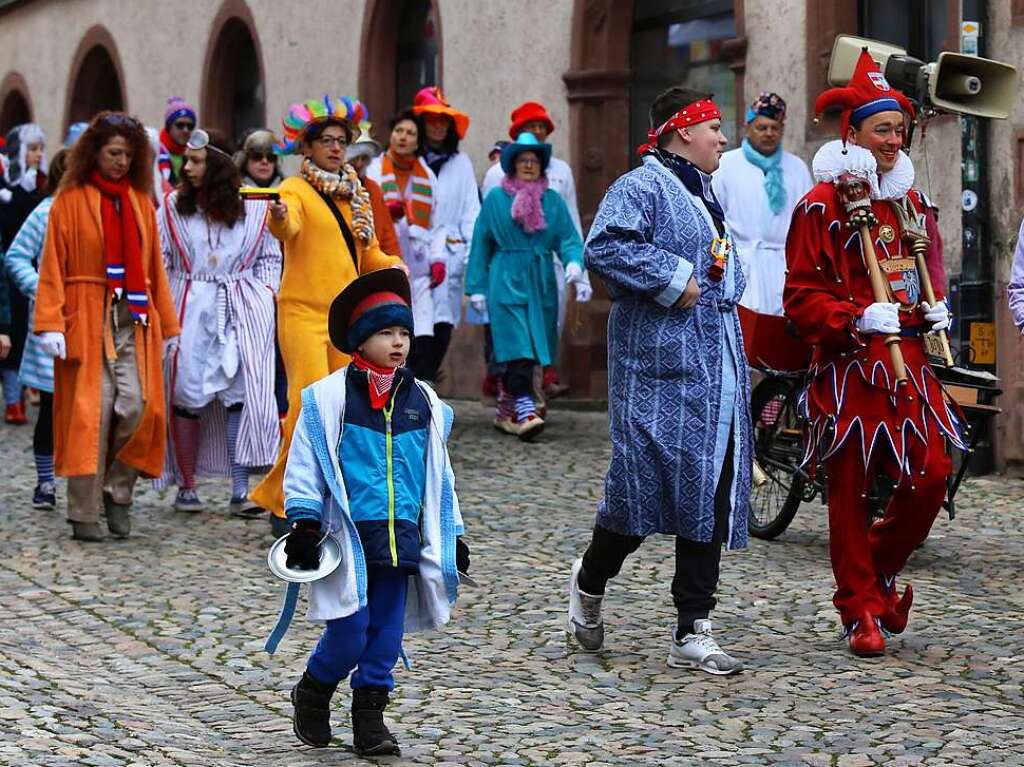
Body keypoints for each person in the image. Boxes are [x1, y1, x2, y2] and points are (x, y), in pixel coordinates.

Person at [565, 86, 752, 674]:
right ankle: (591, 579)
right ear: (682, 131)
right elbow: (606, 246)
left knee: (710, 487)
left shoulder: (705, 192)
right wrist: (676, 278)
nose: (723, 139)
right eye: (714, 127)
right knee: (639, 492)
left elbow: (719, 265)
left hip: (712, 365)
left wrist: (724, 282)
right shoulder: (641, 185)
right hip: (657, 370)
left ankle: (692, 626)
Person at [784, 50, 963, 657]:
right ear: (852, 134)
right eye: (881, 130)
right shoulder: (821, 204)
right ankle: (857, 605)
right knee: (850, 488)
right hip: (850, 365)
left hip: (909, 362)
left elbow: (923, 272)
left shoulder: (909, 203)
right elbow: (801, 296)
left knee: (932, 473)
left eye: (899, 130)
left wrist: (930, 310)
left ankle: (880, 571)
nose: (893, 141)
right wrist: (854, 316)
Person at [281, 268, 467, 757]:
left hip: (400, 539)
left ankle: (370, 719)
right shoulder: (329, 400)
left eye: (404, 332)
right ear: (361, 341)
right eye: (386, 332)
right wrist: (302, 519)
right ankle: (315, 689)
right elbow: (306, 465)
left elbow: (439, 476)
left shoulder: (422, 402)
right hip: (349, 542)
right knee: (348, 633)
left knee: (384, 640)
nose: (399, 342)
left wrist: (453, 536)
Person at [248, 96, 403, 537]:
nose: (336, 148)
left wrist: (391, 263)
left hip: (344, 318)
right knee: (304, 404)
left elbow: (364, 252)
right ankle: (285, 501)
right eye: (327, 141)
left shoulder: (355, 194)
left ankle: (329, 497)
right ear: (308, 148)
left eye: (341, 141)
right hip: (300, 312)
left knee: (344, 409)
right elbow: (288, 225)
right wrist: (277, 215)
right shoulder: (295, 190)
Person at [34, 112, 181, 541]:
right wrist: (50, 322)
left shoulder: (139, 202)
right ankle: (83, 512)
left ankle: (119, 492)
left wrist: (168, 327)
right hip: (84, 315)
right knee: (90, 413)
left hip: (133, 317)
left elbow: (155, 267)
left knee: (141, 407)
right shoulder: (69, 199)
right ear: (94, 152)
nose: (120, 161)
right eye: (114, 152)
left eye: (128, 155)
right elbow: (52, 265)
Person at [158, 128, 281, 516]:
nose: (187, 167)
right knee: (186, 391)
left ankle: (241, 488)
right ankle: (187, 484)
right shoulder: (172, 208)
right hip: (189, 306)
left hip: (241, 306)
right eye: (186, 160)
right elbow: (160, 257)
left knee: (240, 393)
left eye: (196, 160)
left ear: (217, 165)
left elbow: (270, 257)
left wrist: (263, 293)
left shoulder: (255, 209)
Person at [465, 132, 584, 440]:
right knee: (515, 345)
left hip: (541, 279)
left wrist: (573, 262)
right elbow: (481, 242)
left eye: (534, 161)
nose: (529, 165)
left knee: (534, 346)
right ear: (512, 165)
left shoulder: (553, 200)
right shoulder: (495, 199)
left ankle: (506, 409)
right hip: (505, 277)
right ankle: (525, 408)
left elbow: (568, 237)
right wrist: (476, 287)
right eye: (523, 160)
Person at [482, 101, 592, 398]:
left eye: (542, 127)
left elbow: (569, 226)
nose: (538, 131)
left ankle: (534, 391)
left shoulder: (560, 173)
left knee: (543, 329)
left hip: (546, 266)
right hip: (507, 268)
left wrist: (579, 271)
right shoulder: (496, 178)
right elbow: (484, 232)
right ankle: (514, 396)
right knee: (512, 334)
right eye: (531, 127)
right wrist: (479, 282)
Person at [2, 149, 68, 509]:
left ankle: (85, 480)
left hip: (93, 322)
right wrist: (41, 288)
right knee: (51, 404)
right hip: (52, 319)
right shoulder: (45, 212)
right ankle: (45, 482)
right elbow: (16, 257)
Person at [712, 92, 812, 315]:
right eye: (761, 127)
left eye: (774, 128)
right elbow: (714, 222)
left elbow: (807, 224)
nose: (769, 134)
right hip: (741, 264)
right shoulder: (725, 165)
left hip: (785, 267)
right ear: (747, 127)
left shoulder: (797, 168)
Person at [366, 110, 448, 383]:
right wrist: (386, 212)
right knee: (391, 328)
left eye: (410, 133)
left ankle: (420, 392)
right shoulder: (374, 170)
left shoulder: (427, 176)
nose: (403, 137)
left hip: (420, 266)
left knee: (423, 331)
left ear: (418, 141)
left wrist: (438, 258)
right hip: (386, 263)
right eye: (399, 131)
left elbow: (438, 224)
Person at [411, 86, 480, 381]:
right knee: (413, 326)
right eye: (431, 120)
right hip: (413, 252)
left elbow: (471, 212)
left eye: (443, 120)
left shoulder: (460, 163)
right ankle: (411, 387)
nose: (438, 126)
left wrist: (469, 255)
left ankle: (426, 385)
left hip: (450, 254)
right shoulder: (406, 162)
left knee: (442, 324)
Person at [0, 122, 48, 424]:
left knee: (22, 331)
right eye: (31, 149)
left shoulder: (40, 186)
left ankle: (22, 393)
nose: (36, 154)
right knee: (9, 331)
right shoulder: (6, 189)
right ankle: (13, 398)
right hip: (9, 268)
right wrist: (19, 195)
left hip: (31, 270)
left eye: (39, 149)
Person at [345, 121, 401, 259]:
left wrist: (397, 269)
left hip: (373, 266)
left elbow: (388, 236)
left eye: (363, 158)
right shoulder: (329, 188)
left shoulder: (373, 189)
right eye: (353, 159)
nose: (359, 164)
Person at [159, 96, 197, 187]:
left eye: (190, 126)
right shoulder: (156, 152)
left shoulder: (197, 154)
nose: (186, 130)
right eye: (180, 125)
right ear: (169, 127)